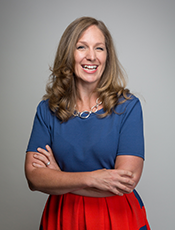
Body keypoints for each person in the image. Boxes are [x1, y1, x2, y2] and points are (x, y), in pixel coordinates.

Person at [25, 16, 150, 230]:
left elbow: (125, 181)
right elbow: (34, 179)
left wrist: (60, 179)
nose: (91, 56)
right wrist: (93, 178)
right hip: (63, 217)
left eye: (99, 48)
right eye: (81, 47)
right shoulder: (47, 110)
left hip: (117, 217)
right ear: (68, 54)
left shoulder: (128, 107)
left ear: (107, 56)